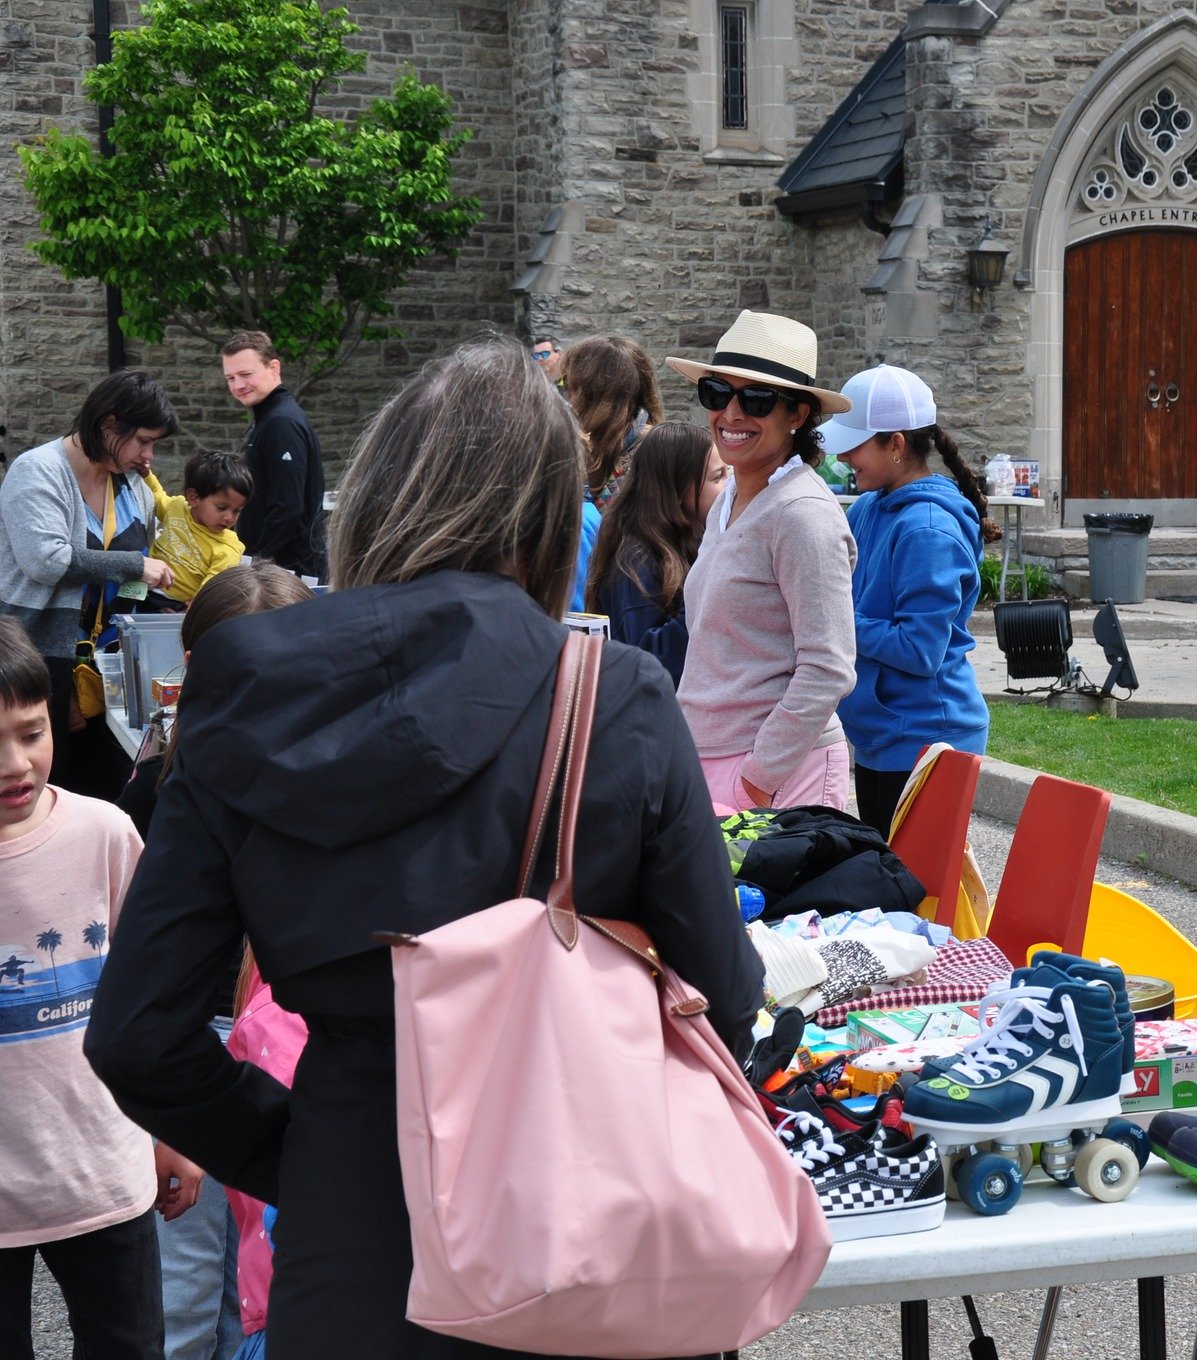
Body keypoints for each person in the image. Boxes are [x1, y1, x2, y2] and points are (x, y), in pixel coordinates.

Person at [82, 338, 764, 1360]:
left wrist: (311, 1145)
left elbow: (139, 1032)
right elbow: (725, 993)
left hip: (354, 1230)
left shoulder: (244, 682)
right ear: (545, 517)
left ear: (380, 492)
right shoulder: (609, 695)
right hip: (579, 1220)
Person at [112, 564, 312, 1360]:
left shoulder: (331, 781)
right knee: (190, 1297)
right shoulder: (163, 790)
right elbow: (141, 972)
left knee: (262, 1292)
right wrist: (173, 1121)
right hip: (202, 1050)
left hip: (288, 1050)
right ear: (196, 669)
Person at [0, 615, 198, 1360]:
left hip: (101, 1172)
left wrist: (174, 1132)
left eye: (31, 731)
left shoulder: (105, 834)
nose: (15, 763)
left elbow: (156, 999)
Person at [665, 311, 857, 811]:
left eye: (756, 399)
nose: (730, 414)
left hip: (776, 773)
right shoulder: (731, 499)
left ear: (797, 416)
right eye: (716, 393)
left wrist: (758, 777)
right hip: (715, 759)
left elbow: (829, 666)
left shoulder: (802, 514)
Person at [821, 364, 993, 834]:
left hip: (928, 740)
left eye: (854, 445)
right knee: (892, 885)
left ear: (895, 444)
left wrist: (835, 625)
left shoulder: (928, 530)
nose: (841, 457)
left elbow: (920, 649)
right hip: (886, 733)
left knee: (915, 892)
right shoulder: (871, 506)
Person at [0, 368, 176, 796]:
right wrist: (137, 567)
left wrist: (160, 606)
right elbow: (46, 559)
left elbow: (133, 567)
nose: (147, 455)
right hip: (44, 660)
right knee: (50, 789)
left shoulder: (132, 483)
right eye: (143, 440)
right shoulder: (37, 470)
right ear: (109, 424)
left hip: (114, 666)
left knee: (109, 789)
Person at [587, 422, 726, 685]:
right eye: (717, 478)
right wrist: (707, 592)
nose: (729, 487)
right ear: (676, 491)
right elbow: (651, 657)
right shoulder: (635, 561)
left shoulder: (691, 542)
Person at [221, 331, 325, 579]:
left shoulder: (281, 423)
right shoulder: (269, 419)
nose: (238, 385)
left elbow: (287, 507)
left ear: (274, 367)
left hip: (289, 575)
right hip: (279, 571)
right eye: (230, 378)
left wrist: (255, 566)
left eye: (246, 374)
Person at [562, 334, 664, 512]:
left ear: (587, 393)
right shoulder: (658, 443)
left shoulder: (652, 453)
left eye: (567, 383)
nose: (566, 394)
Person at [146, 451, 254, 606]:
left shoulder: (228, 548)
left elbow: (210, 591)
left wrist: (186, 612)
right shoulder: (177, 508)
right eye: (222, 507)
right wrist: (145, 473)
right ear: (194, 498)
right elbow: (156, 494)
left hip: (173, 605)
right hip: (143, 587)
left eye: (237, 510)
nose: (229, 518)